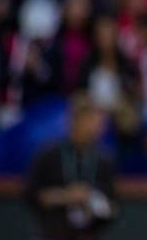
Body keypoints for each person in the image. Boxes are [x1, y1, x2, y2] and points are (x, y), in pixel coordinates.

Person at [25, 94, 117, 240]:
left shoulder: (104, 159)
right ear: (74, 121)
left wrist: (91, 200)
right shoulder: (48, 155)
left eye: (99, 122)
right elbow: (32, 196)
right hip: (51, 234)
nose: (97, 127)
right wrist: (66, 196)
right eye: (90, 120)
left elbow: (114, 206)